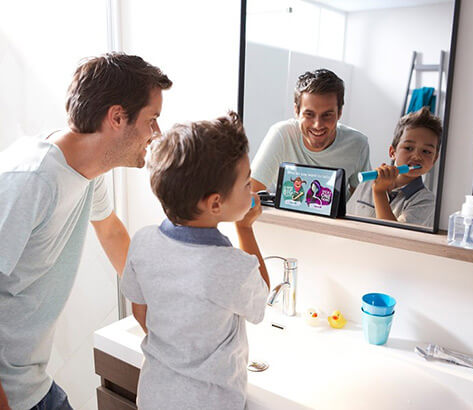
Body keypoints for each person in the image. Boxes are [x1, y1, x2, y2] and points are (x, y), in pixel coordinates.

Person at [0, 53, 172, 410]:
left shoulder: (87, 171)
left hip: (31, 383)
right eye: (152, 119)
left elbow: (110, 232)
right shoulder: (31, 180)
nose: (157, 133)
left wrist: (160, 316)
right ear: (117, 117)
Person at [120, 112, 270, 409]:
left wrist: (177, 352)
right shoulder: (230, 267)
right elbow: (260, 301)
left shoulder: (143, 241)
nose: (252, 189)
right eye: (246, 184)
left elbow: (140, 312)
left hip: (154, 397)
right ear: (215, 203)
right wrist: (245, 229)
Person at [251, 68, 371, 197]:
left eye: (327, 115)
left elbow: (364, 201)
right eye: (309, 114)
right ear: (296, 111)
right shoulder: (282, 135)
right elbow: (250, 193)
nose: (317, 125)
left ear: (340, 112)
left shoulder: (357, 144)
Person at [346, 107, 442, 227]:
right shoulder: (368, 182)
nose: (417, 156)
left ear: (435, 159)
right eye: (408, 148)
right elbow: (347, 219)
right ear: (392, 152)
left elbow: (394, 235)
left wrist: (380, 192)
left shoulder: (426, 201)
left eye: (426, 151)